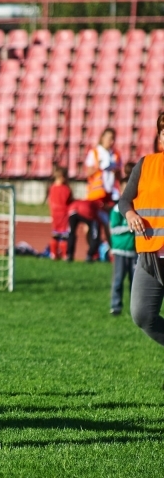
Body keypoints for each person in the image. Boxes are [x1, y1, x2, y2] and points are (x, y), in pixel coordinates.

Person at [120, 116, 164, 361]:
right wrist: (129, 214)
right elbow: (125, 200)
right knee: (142, 314)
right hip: (150, 253)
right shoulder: (146, 164)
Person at [85, 127, 122, 247]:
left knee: (109, 223)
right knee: (91, 223)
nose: (111, 142)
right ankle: (92, 248)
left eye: (113, 139)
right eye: (109, 138)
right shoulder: (94, 153)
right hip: (96, 194)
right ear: (102, 138)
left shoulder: (116, 154)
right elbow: (88, 172)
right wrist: (99, 166)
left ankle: (111, 249)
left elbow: (119, 175)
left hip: (110, 193)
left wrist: (115, 170)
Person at [109, 162, 138, 315]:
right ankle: (116, 306)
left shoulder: (137, 209)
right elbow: (114, 229)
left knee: (135, 281)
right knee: (118, 279)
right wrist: (130, 226)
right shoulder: (116, 209)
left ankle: (135, 308)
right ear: (120, 190)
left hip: (134, 251)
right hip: (120, 250)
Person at [67, 198, 103, 262]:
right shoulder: (96, 206)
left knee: (71, 233)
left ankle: (69, 255)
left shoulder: (83, 202)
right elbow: (96, 220)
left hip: (72, 210)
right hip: (85, 210)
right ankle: (90, 255)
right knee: (95, 233)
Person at [48, 167, 73, 260]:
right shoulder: (65, 189)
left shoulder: (52, 188)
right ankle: (64, 254)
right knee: (64, 235)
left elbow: (50, 201)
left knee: (55, 233)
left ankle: (53, 254)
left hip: (54, 214)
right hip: (64, 214)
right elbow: (69, 200)